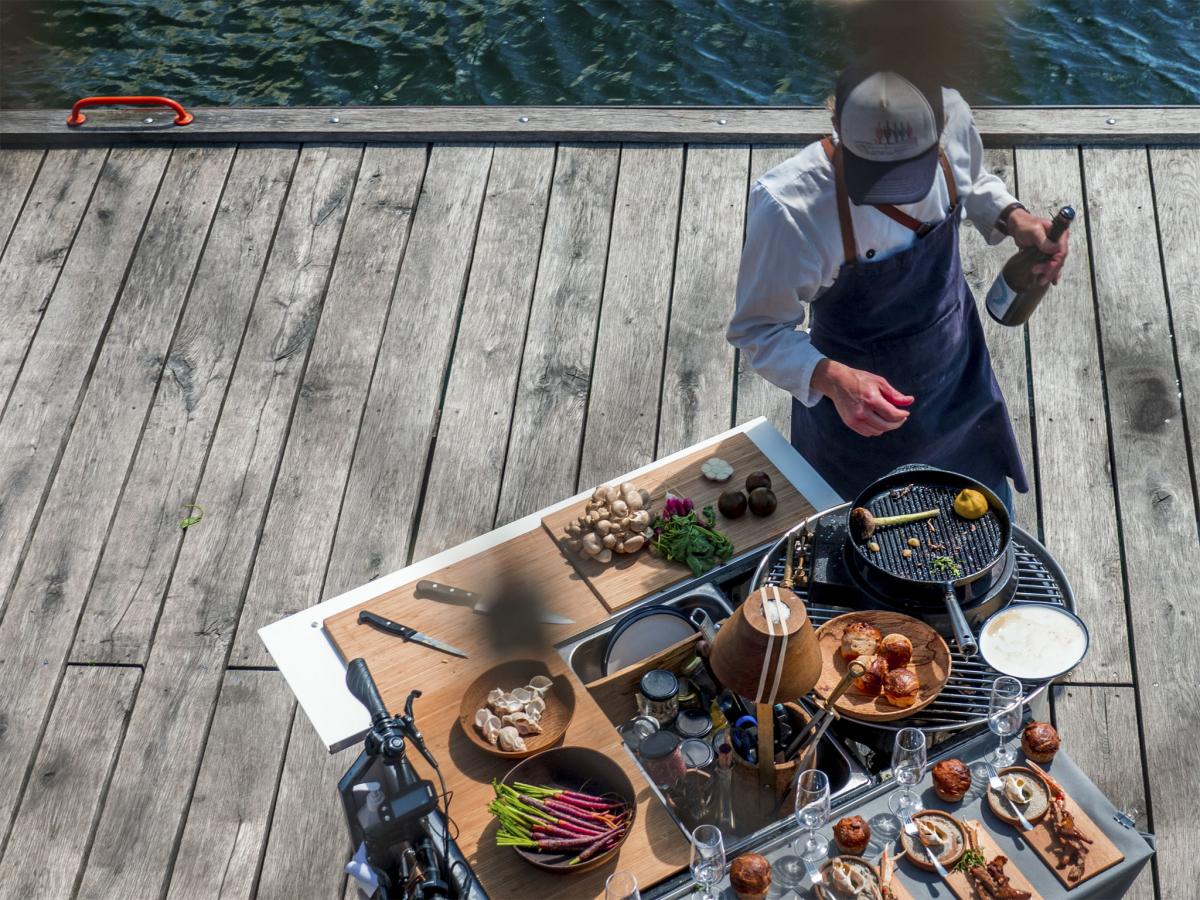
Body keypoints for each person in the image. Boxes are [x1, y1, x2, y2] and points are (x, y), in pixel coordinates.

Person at [727, 66, 1069, 512]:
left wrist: (1012, 216)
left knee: (983, 513)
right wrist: (832, 379)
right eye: (876, 173)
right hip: (859, 420)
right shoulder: (791, 208)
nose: (897, 193)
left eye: (910, 171)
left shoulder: (953, 118)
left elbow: (973, 179)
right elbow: (758, 330)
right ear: (836, 123)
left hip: (959, 380)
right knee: (860, 534)